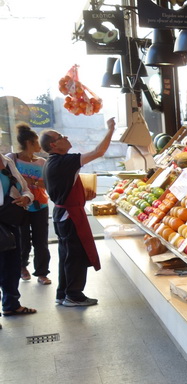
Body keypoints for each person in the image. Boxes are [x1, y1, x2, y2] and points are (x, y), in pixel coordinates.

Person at [40, 118, 115, 307]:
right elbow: (99, 151)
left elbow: (64, 188)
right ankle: (73, 294)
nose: (65, 137)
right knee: (76, 256)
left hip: (63, 214)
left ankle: (63, 293)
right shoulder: (64, 161)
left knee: (67, 254)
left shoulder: (52, 162)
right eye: (60, 136)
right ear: (53, 144)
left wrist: (81, 195)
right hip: (69, 216)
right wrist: (110, 130)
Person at [7, 123, 50, 285]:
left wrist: (33, 182)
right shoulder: (12, 159)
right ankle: (22, 267)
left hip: (40, 205)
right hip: (20, 206)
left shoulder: (41, 162)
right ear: (29, 143)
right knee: (22, 240)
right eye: (37, 142)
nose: (40, 146)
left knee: (41, 241)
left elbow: (47, 184)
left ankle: (42, 272)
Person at [0, 153, 37, 321]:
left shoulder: (7, 162)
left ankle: (11, 305)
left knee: (12, 266)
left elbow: (26, 188)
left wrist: (26, 198)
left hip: (10, 221)